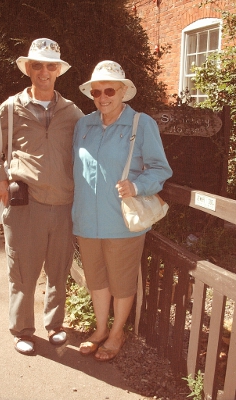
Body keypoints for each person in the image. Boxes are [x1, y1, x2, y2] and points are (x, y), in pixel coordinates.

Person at [0, 38, 84, 355]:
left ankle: (55, 326)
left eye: (51, 65)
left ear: (58, 71)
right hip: (25, 205)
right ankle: (22, 330)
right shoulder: (10, 109)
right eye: (38, 65)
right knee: (22, 272)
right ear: (29, 69)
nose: (44, 71)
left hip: (64, 205)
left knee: (59, 271)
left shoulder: (73, 112)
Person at [72, 60, 172, 361]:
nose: (103, 97)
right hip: (87, 220)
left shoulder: (141, 124)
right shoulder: (83, 125)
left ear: (124, 91)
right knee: (97, 279)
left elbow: (160, 169)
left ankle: (117, 333)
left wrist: (137, 186)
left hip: (122, 222)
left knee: (122, 281)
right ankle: (101, 328)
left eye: (109, 90)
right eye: (97, 91)